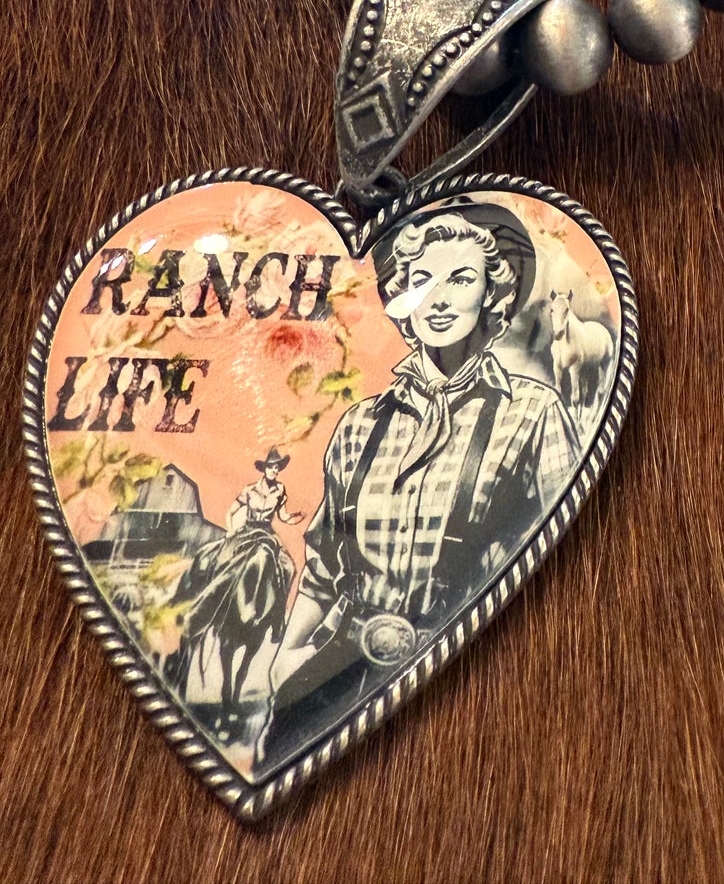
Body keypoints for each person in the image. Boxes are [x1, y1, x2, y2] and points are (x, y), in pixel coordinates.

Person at [261, 199, 579, 769]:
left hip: (467, 671)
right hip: (339, 668)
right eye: (423, 279)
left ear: (492, 294)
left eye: (461, 279)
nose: (439, 298)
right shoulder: (361, 425)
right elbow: (325, 565)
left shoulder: (533, 413)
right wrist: (287, 658)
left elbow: (571, 558)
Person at [175, 449, 300, 728]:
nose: (274, 471)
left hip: (267, 536)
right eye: (271, 467)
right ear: (263, 469)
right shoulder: (249, 490)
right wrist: (231, 529)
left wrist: (292, 519)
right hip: (247, 533)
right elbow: (232, 511)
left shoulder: (281, 490)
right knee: (225, 563)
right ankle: (212, 604)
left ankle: (277, 619)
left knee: (289, 567)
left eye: (277, 467)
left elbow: (282, 515)